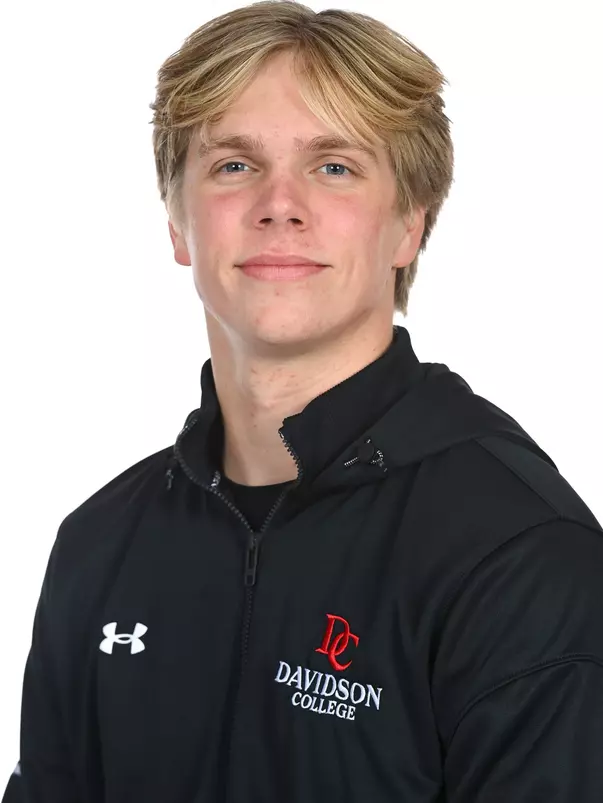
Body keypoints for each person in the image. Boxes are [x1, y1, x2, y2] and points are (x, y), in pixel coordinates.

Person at [3, 1, 603, 800]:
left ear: (407, 227)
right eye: (232, 165)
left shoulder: (517, 553)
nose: (278, 204)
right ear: (179, 225)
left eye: (334, 166)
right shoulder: (101, 544)